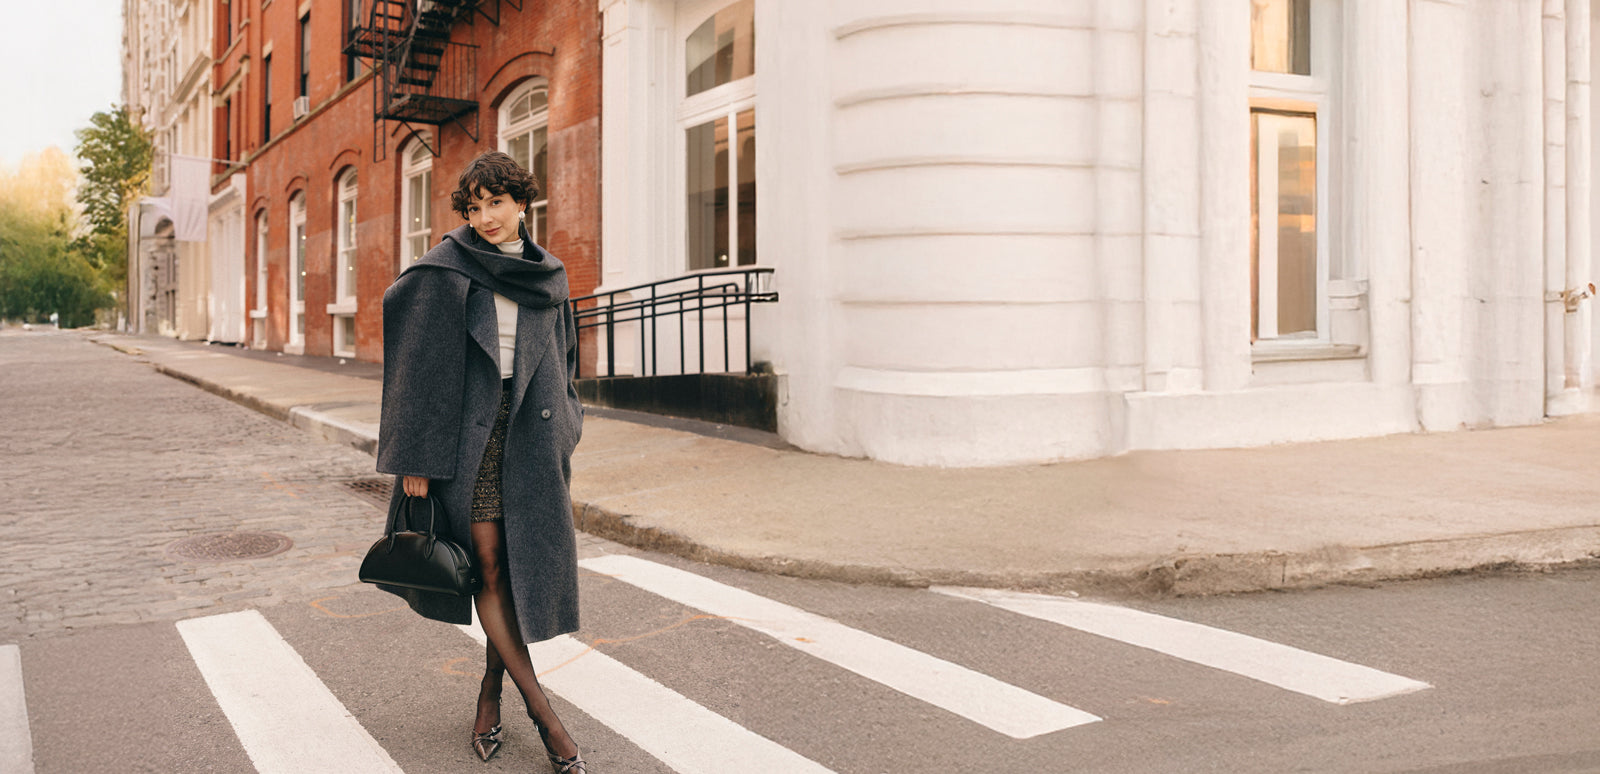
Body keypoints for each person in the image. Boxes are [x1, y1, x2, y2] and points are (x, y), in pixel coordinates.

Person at [376, 150, 587, 772]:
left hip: (531, 439)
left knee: (514, 572)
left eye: (497, 202)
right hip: (466, 441)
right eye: (474, 206)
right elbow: (413, 366)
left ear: (523, 203)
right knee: (490, 568)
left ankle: (491, 694)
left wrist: (569, 423)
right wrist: (414, 455)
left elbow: (567, 358)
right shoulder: (445, 269)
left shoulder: (549, 276)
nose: (486, 217)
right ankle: (547, 719)